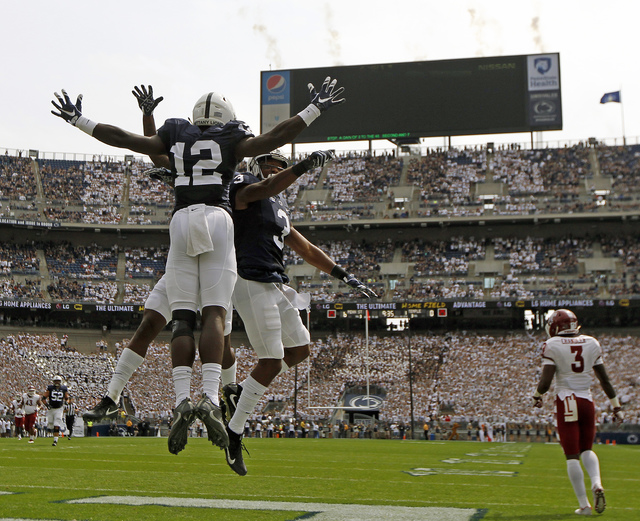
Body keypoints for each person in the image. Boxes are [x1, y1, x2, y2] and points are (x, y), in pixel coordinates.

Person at [54, 77, 345, 456]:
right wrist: (315, 108)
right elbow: (276, 137)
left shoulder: (177, 137)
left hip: (182, 222)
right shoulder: (232, 141)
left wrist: (80, 120)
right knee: (214, 316)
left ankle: (184, 399)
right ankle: (209, 396)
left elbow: (125, 139)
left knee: (181, 319)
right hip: (217, 220)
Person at [220, 150, 377, 475]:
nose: (274, 174)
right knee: (272, 360)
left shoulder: (278, 208)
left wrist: (345, 275)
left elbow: (305, 248)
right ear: (255, 167)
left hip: (274, 282)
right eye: (270, 168)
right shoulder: (243, 186)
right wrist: (302, 167)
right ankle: (234, 432)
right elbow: (262, 189)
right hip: (249, 278)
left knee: (301, 349)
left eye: (279, 169)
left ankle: (240, 393)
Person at [532, 309, 624, 516]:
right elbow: (605, 380)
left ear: (556, 326)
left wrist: (537, 395)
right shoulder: (592, 342)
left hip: (567, 400)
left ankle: (584, 506)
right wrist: (616, 406)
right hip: (586, 401)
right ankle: (597, 483)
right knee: (587, 449)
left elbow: (545, 382)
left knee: (572, 456)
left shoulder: (552, 344)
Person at [41, 376, 69, 446]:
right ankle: (53, 434)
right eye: (55, 381)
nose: (57, 382)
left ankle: (55, 441)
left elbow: (67, 398)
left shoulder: (63, 388)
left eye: (58, 381)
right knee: (51, 424)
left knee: (57, 424)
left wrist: (66, 403)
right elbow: (43, 398)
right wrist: (47, 405)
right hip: (51, 409)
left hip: (59, 408)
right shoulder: (50, 388)